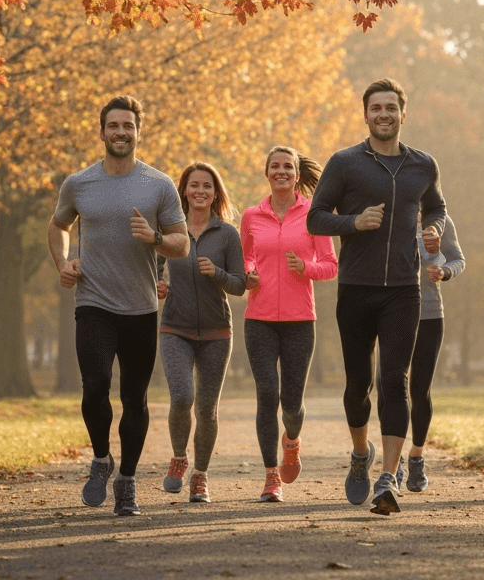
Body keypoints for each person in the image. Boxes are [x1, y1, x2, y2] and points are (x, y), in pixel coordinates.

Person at [308, 78, 446, 516]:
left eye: (391, 107)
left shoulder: (423, 164)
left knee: (395, 381)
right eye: (376, 108)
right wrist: (353, 222)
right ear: (365, 114)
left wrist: (434, 228)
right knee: (358, 385)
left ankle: (387, 478)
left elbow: (437, 206)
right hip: (356, 289)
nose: (383, 114)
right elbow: (315, 218)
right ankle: (359, 454)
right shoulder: (345, 163)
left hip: (404, 290)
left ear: (403, 114)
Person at [48, 95, 188, 517]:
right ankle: (100, 458)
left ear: (138, 132)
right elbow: (58, 226)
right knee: (94, 386)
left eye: (128, 126)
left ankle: (126, 480)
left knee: (135, 399)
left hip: (140, 308)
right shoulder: (79, 183)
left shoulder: (158, 184)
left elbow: (181, 244)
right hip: (93, 302)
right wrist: (63, 263)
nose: (121, 132)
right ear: (102, 131)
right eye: (114, 125)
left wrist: (155, 238)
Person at [239, 146, 338, 502]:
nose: (281, 171)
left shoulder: (314, 215)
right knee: (267, 394)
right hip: (259, 318)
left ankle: (291, 442)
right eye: (275, 166)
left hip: (300, 320)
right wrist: (248, 273)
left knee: (291, 405)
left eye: (288, 167)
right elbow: (245, 258)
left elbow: (330, 265)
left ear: (297, 175)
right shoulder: (251, 216)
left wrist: (306, 268)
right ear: (266, 173)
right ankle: (271, 477)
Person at [156, 162, 246, 504]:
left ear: (215, 193)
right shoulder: (169, 231)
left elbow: (239, 285)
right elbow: (152, 272)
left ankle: (200, 476)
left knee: (207, 409)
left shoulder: (227, 234)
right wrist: (158, 285)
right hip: (175, 328)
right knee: (182, 397)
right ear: (184, 190)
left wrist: (217, 273)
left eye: (207, 186)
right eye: (194, 185)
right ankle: (179, 457)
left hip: (216, 332)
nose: (200, 191)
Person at [379, 215, 465, 493]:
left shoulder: (440, 221)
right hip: (392, 314)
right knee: (389, 387)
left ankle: (416, 454)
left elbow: (458, 259)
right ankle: (393, 460)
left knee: (420, 389)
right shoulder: (391, 214)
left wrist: (444, 272)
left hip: (429, 314)